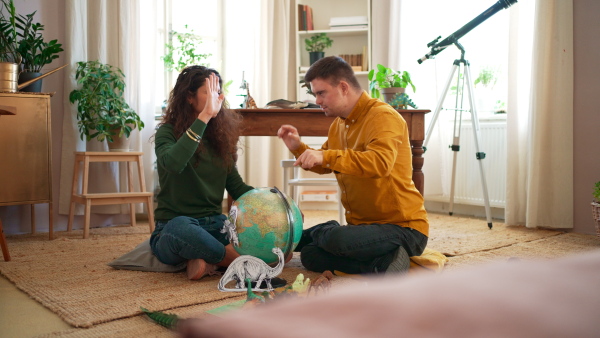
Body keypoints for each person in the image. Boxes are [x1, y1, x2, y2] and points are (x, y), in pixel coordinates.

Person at [277, 56, 429, 275]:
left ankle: (318, 233)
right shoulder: (339, 124)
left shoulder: (383, 116)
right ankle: (383, 263)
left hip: (403, 228)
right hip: (362, 228)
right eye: (315, 94)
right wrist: (298, 147)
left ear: (343, 87)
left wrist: (325, 157)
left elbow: (380, 163)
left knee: (336, 239)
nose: (318, 100)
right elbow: (325, 163)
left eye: (321, 93)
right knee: (311, 255)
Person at [151, 65, 252, 280]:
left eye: (217, 91)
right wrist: (204, 116)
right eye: (208, 91)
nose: (215, 97)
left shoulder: (220, 139)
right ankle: (240, 261)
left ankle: (202, 258)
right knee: (180, 228)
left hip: (216, 225)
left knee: (254, 233)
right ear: (189, 97)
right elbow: (173, 163)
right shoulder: (167, 133)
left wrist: (276, 204)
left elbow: (238, 188)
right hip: (174, 226)